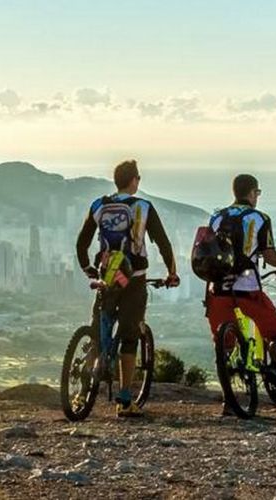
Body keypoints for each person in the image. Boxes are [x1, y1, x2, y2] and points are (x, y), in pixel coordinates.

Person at [75, 159, 180, 417]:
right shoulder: (143, 207)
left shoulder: (99, 205)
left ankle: (80, 392)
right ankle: (124, 400)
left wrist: (87, 267)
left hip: (107, 277)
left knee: (99, 333)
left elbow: (81, 243)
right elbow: (163, 243)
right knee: (130, 336)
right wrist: (172, 273)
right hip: (133, 279)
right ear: (134, 180)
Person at [204, 173, 276, 402]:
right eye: (257, 193)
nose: (257, 197)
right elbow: (269, 255)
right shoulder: (259, 218)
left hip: (217, 290)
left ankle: (229, 401)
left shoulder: (216, 217)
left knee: (223, 345)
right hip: (247, 290)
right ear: (252, 193)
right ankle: (275, 369)